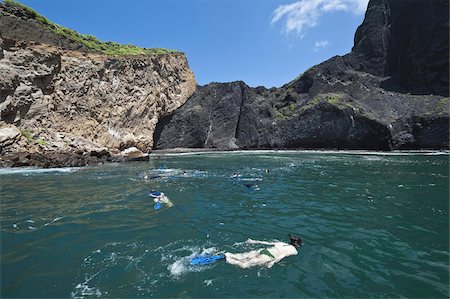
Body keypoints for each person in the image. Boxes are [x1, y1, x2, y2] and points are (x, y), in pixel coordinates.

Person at [224, 234, 302, 268]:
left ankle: (228, 254)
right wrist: (273, 262)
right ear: (298, 245)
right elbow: (283, 255)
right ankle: (228, 259)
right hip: (269, 256)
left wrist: (254, 241)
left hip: (263, 250)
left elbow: (267, 243)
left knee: (242, 256)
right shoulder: (294, 251)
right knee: (244, 265)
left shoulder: (282, 243)